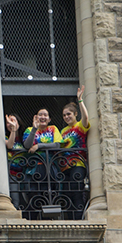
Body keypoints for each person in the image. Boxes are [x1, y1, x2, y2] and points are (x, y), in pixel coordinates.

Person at [18, 106, 62, 219]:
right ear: (36, 117)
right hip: (34, 169)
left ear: (49, 119)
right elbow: (27, 145)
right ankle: (31, 221)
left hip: (49, 168)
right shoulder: (29, 129)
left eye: (45, 115)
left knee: (48, 195)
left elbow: (57, 145)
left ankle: (47, 220)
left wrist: (38, 146)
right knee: (33, 196)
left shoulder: (53, 129)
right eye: (40, 114)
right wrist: (34, 129)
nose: (43, 117)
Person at [58, 86, 90, 218]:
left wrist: (80, 100)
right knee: (67, 194)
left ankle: (78, 219)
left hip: (78, 164)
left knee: (77, 192)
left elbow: (86, 117)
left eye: (69, 114)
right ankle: (69, 219)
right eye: (64, 115)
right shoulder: (62, 131)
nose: (66, 117)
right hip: (64, 167)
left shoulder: (79, 126)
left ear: (75, 114)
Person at [4, 113, 26, 210]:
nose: (10, 124)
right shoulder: (4, 137)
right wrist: (13, 130)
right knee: (15, 199)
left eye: (12, 121)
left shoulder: (24, 138)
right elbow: (10, 145)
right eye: (8, 122)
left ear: (18, 123)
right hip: (11, 173)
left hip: (24, 172)